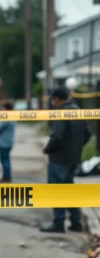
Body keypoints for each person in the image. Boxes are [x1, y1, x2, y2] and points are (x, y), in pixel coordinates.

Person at [40, 87, 91, 233]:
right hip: (74, 158)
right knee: (69, 190)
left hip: (59, 159)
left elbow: (56, 137)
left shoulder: (61, 113)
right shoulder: (78, 111)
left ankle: (58, 222)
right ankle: (75, 222)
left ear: (56, 99)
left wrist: (47, 149)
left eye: (52, 99)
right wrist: (76, 147)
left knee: (57, 190)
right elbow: (87, 133)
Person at [0, 102, 16, 183]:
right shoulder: (13, 117)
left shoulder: (6, 118)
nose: (1, 110)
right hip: (9, 141)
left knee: (4, 160)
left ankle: (6, 177)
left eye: (3, 108)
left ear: (6, 108)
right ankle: (6, 176)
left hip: (4, 142)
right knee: (6, 160)